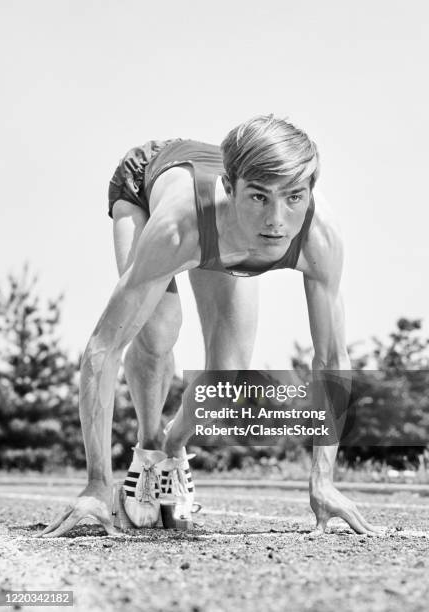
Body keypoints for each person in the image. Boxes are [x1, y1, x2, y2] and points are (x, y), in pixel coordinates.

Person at [39, 115, 382, 537]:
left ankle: (172, 446)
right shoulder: (177, 228)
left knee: (224, 382)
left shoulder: (319, 235)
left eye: (293, 197)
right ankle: (147, 451)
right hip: (147, 184)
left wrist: (323, 479)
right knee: (159, 328)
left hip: (219, 225)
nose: (277, 219)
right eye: (259, 197)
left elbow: (331, 357)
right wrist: (96, 482)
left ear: (310, 190)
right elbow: (103, 348)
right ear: (229, 187)